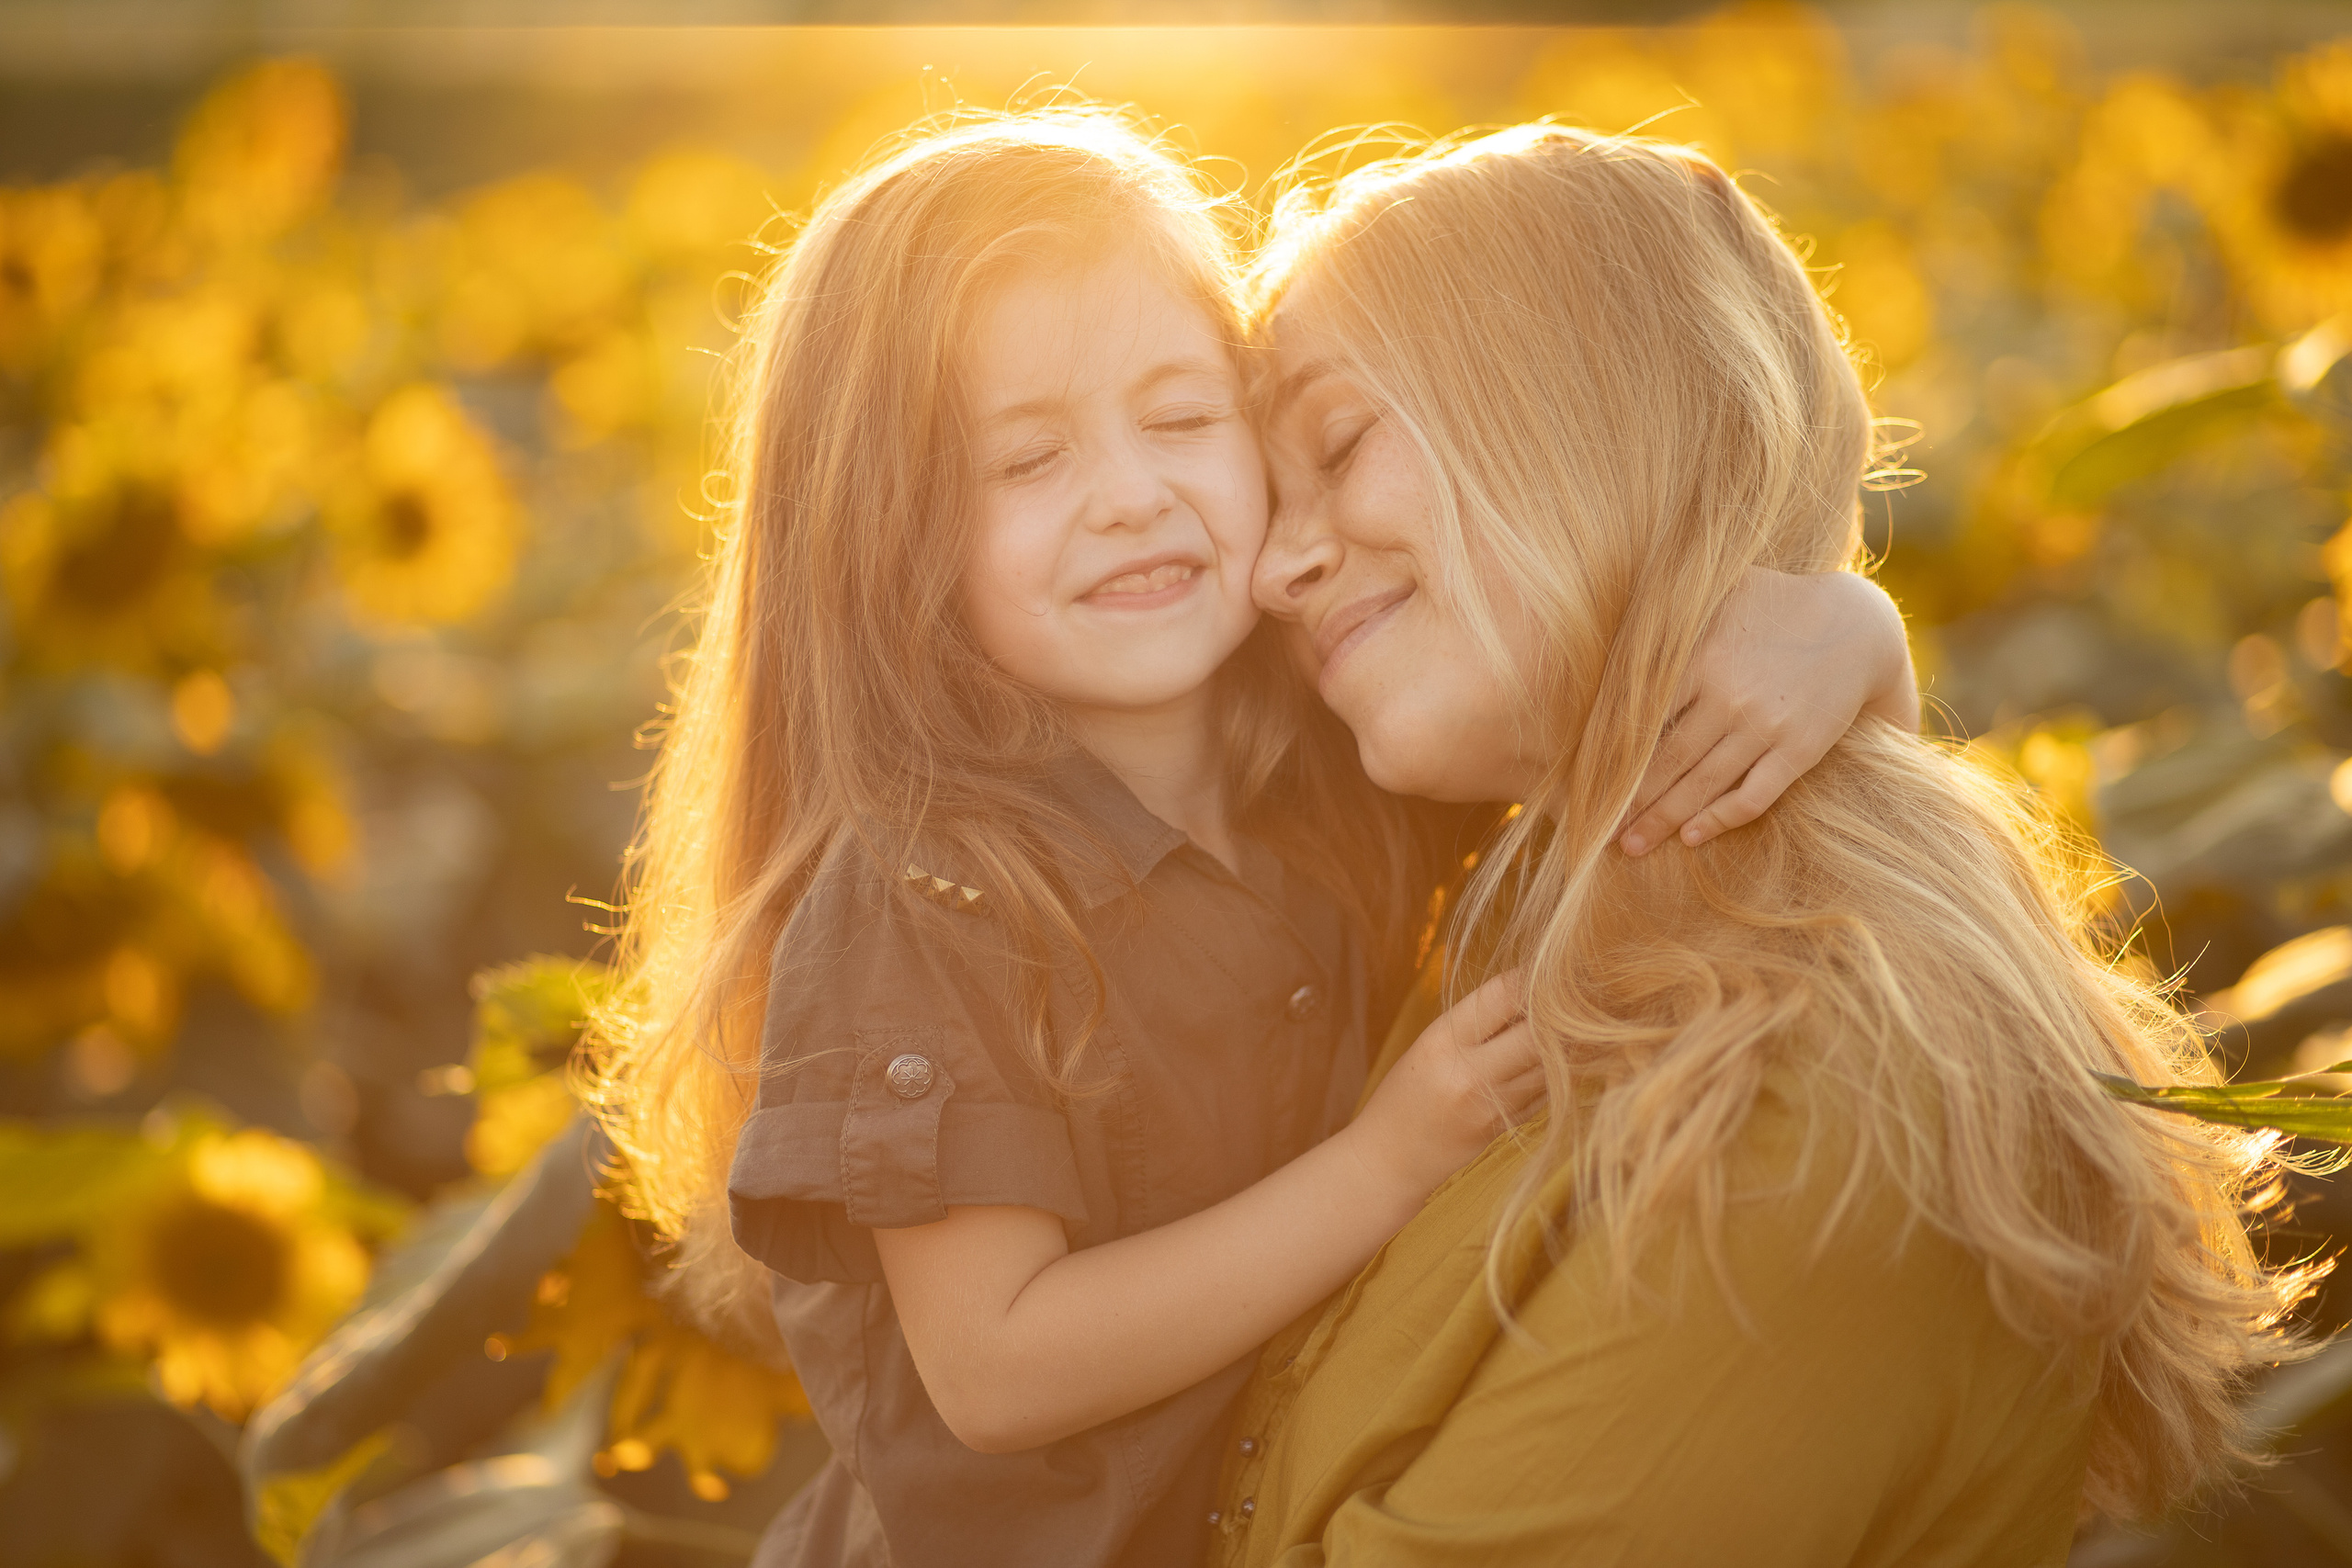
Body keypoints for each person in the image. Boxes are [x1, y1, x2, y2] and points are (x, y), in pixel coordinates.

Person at [582, 112, 1916, 1568]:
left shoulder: (1341, 767)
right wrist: (1383, 1166)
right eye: (1028, 460)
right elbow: (996, 1369)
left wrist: (1850, 630)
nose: (1133, 494)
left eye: (1180, 417)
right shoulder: (929, 891)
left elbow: (1641, 771)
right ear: (893, 536)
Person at [1211, 122, 2315, 1566]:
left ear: (1584, 404)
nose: (1271, 565)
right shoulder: (1531, 896)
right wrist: (1845, 631)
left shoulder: (1827, 1097)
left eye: (1339, 443)